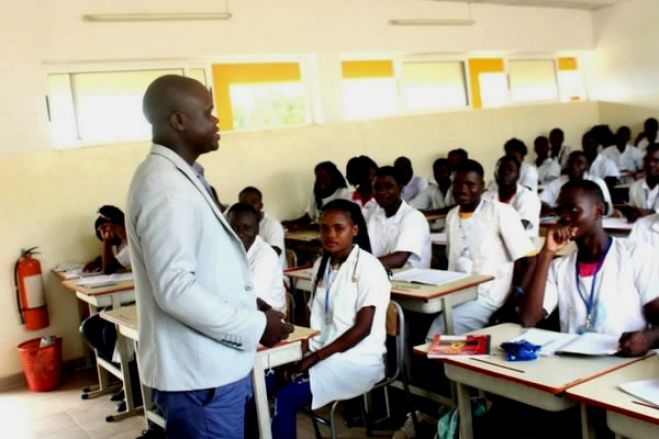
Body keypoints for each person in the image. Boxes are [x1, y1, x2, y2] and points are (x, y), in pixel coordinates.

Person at [127, 75, 292, 438]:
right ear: (178, 121)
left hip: (211, 368)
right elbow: (176, 290)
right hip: (200, 376)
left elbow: (204, 270)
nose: (217, 121)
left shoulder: (183, 177)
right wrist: (255, 326)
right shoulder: (165, 186)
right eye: (208, 112)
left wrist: (253, 305)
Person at [270, 199, 390, 439]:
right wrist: (299, 351)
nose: (330, 234)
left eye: (339, 228)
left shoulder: (369, 267)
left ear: (354, 230)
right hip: (321, 349)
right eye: (324, 228)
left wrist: (312, 358)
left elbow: (362, 329)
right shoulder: (321, 265)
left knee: (283, 398)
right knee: (261, 383)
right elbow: (315, 318)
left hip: (356, 358)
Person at [520, 180, 659, 356]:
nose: (565, 217)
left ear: (599, 211)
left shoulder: (635, 255)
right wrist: (546, 254)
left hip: (624, 360)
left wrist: (646, 339)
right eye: (560, 211)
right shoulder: (559, 267)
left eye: (573, 210)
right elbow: (528, 319)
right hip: (573, 363)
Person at [426, 160, 536, 338]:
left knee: (437, 332)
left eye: (470, 184)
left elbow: (530, 260)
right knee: (420, 318)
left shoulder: (500, 212)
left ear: (482, 187)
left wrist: (513, 301)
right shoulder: (452, 216)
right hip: (456, 293)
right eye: (457, 183)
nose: (463, 189)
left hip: (489, 297)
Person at [367, 166, 431, 269]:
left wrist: (362, 266)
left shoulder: (414, 217)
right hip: (382, 274)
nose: (382, 192)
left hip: (411, 277)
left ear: (400, 188)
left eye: (389, 186)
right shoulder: (374, 217)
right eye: (377, 187)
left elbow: (399, 259)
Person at [227, 203, 287, 314]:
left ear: (257, 229)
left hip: (266, 317)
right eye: (234, 228)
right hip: (236, 312)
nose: (240, 233)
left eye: (247, 228)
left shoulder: (266, 257)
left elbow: (251, 300)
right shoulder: (226, 249)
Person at [539, 151, 613, 216]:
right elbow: (541, 202)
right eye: (571, 162)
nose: (574, 166)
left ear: (587, 166)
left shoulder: (597, 182)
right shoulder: (557, 183)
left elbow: (606, 208)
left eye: (579, 163)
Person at [483, 156, 541, 236]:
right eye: (502, 169)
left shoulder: (529, 197)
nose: (505, 173)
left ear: (518, 175)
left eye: (510, 170)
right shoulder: (486, 197)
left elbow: (519, 229)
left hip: (523, 242)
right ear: (495, 173)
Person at [283, 161, 352, 228]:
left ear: (334, 177)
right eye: (319, 177)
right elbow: (308, 217)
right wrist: (290, 223)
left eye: (325, 177)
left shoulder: (344, 195)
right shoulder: (316, 193)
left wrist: (303, 227)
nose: (321, 181)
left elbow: (335, 223)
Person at [238, 186, 286, 267]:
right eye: (244, 203)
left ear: (261, 205)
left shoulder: (272, 224)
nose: (249, 206)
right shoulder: (237, 223)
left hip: (271, 271)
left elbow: (275, 253)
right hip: (247, 269)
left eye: (253, 202)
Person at [83, 205, 131, 274]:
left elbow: (108, 268)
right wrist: (96, 263)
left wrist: (106, 239)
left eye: (105, 228)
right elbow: (112, 258)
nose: (103, 232)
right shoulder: (118, 245)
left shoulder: (129, 247)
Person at [624, 143, 659, 221]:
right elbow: (632, 210)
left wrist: (651, 213)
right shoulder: (635, 187)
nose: (650, 164)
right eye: (647, 160)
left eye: (656, 161)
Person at [346, 155, 379, 222]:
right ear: (362, 178)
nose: (377, 179)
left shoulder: (382, 199)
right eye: (373, 175)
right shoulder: (347, 199)